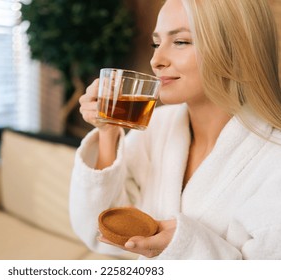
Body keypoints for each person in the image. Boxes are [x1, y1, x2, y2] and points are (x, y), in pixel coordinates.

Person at [69, 0, 281, 259]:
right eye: (156, 44)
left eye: (180, 41)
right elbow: (101, 232)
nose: (156, 60)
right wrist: (108, 132)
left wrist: (185, 247)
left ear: (236, 48)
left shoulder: (274, 159)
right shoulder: (157, 127)